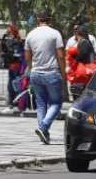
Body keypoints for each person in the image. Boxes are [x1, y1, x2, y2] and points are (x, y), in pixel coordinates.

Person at [24, 9, 66, 144]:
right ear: (50, 19)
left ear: (37, 19)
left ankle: (44, 134)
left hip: (36, 73)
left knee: (41, 104)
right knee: (56, 103)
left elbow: (27, 56)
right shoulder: (55, 34)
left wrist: (31, 69)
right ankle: (43, 126)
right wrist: (63, 73)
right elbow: (60, 55)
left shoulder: (31, 35)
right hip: (52, 73)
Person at [1, 23, 25, 113]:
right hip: (16, 65)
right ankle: (17, 103)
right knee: (15, 84)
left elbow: (7, 51)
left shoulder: (12, 40)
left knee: (12, 85)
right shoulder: (17, 40)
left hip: (14, 66)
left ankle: (13, 103)